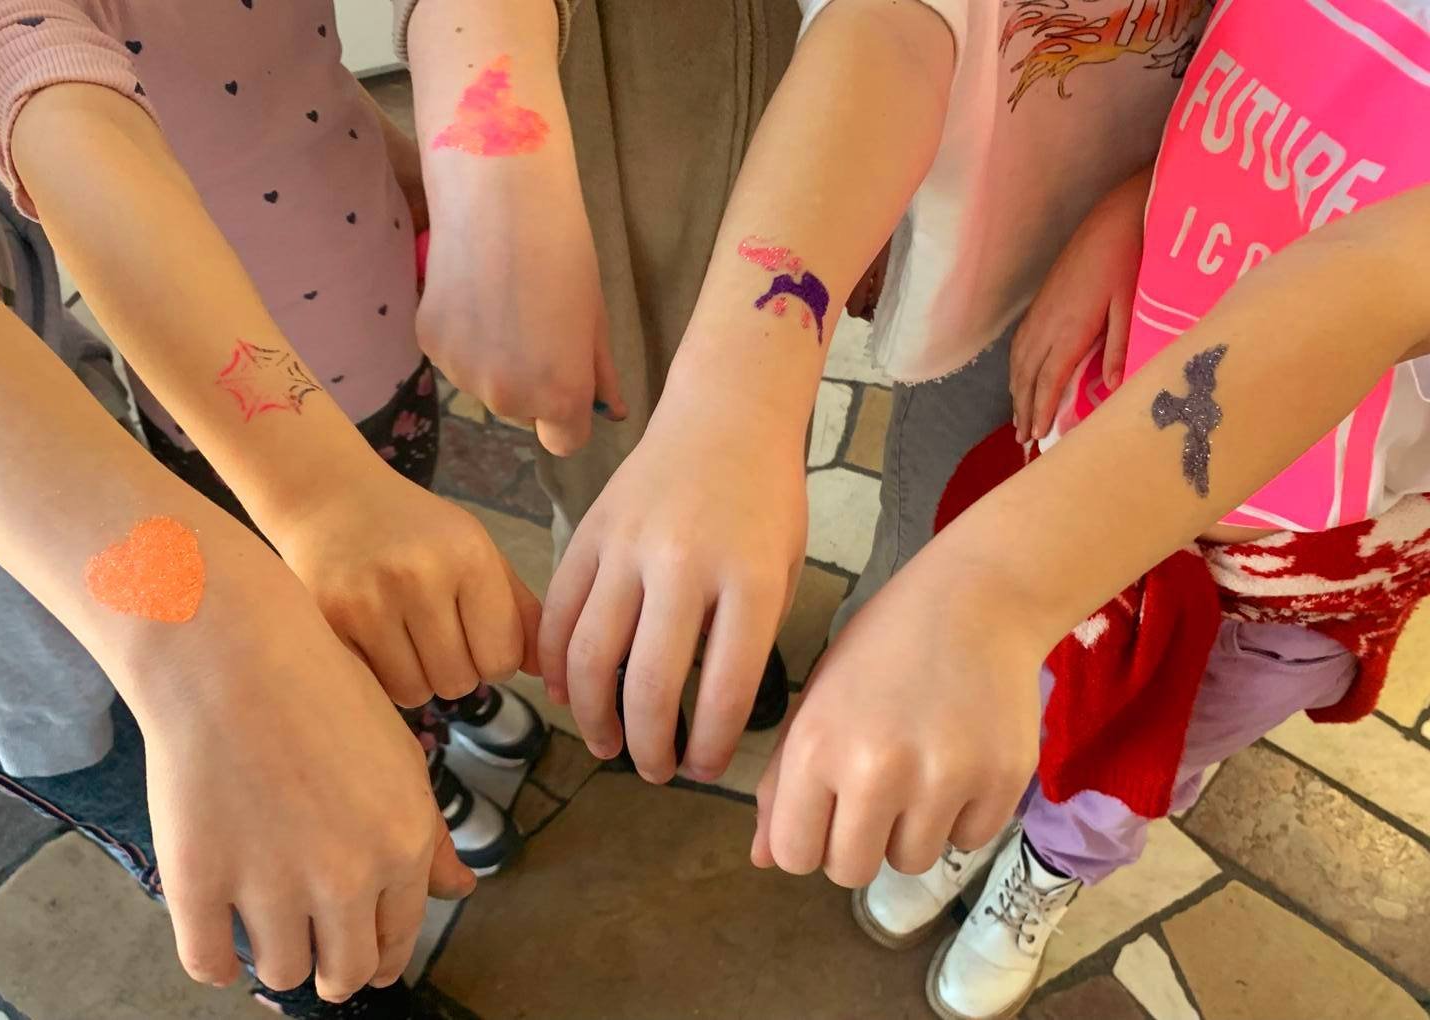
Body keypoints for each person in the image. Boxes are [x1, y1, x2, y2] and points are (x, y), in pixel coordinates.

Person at [768, 1, 1429, 1016]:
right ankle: (988, 813)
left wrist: (986, 590)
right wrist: (1135, 200)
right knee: (1040, 685)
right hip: (1115, 385)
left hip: (1300, 573)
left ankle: (1051, 866)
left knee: (1155, 746)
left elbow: (1379, 274)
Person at [0, 1, 476, 1013]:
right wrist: (203, 630)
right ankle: (331, 990)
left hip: (2, 324)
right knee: (170, 804)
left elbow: (10, 35)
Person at [0, 0, 550, 873]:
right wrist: (317, 491)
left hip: (378, 305)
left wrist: (408, 173)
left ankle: (450, 685)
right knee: (335, 623)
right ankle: (419, 754)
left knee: (412, 532)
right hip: (230, 412)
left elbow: (297, 72)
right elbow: (32, 80)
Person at [530, 0, 1214, 786]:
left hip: (1203, 262)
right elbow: (891, 25)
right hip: (994, 256)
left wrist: (1148, 195)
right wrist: (733, 404)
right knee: (920, 534)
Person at [392, 0, 801, 730]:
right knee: (598, 415)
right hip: (581, 74)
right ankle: (620, 614)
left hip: (768, 74)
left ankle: (720, 602)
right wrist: (485, 147)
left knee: (766, 386)